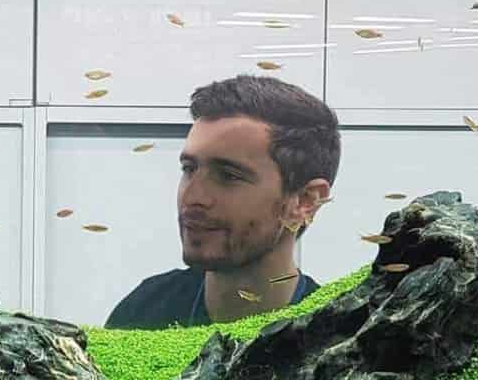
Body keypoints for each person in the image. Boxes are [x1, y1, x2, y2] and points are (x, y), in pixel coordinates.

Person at [106, 75, 340, 329]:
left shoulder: (334, 333)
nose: (193, 198)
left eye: (229, 176)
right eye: (189, 168)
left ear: (304, 201)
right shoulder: (145, 310)